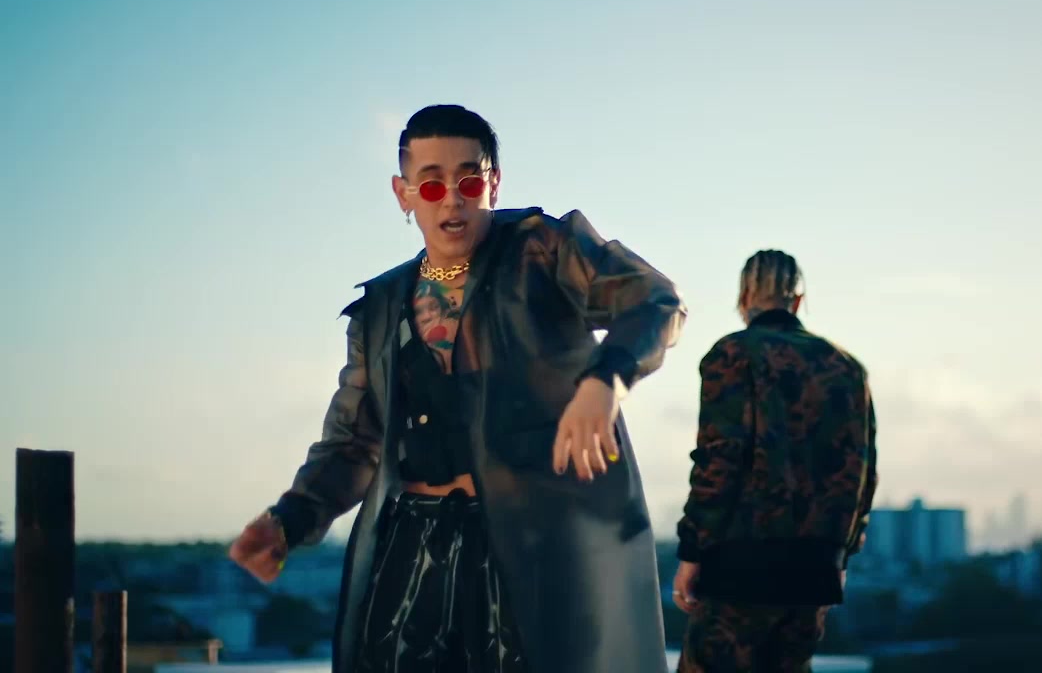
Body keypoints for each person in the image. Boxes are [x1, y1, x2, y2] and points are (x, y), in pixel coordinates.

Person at [228, 104, 687, 673]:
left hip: (527, 548)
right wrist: (289, 521)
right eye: (431, 184)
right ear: (404, 194)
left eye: (469, 181)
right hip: (410, 551)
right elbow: (355, 443)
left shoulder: (543, 252)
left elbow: (656, 300)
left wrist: (605, 380)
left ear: (493, 183)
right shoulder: (381, 308)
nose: (452, 199)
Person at [672, 250, 878, 673]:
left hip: (740, 566)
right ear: (798, 300)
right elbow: (862, 471)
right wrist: (840, 555)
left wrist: (692, 550)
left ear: (744, 296)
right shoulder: (846, 368)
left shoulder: (733, 354)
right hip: (814, 571)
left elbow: (720, 458)